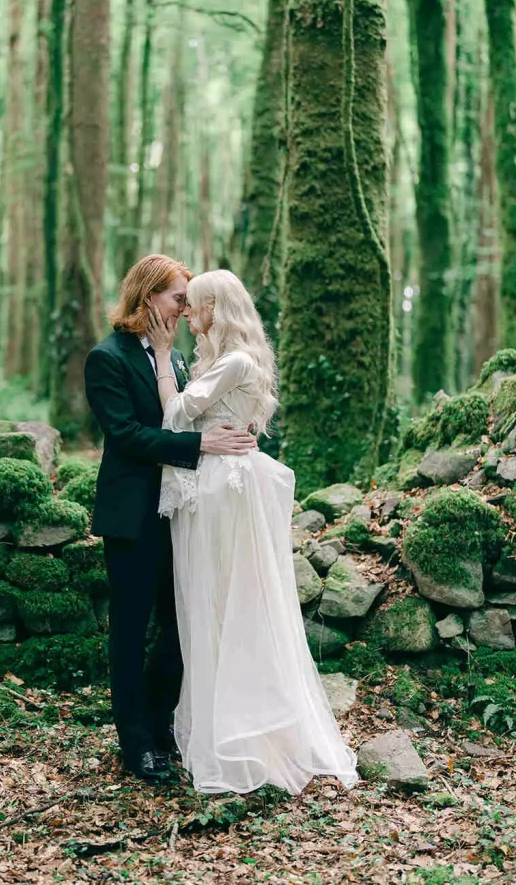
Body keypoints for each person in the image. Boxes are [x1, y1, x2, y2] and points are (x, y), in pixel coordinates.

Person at [146, 268, 358, 795]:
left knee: (223, 601)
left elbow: (174, 413)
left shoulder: (235, 360)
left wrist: (160, 361)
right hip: (214, 484)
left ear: (217, 307)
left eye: (196, 306)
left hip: (222, 490)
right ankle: (220, 727)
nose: (189, 316)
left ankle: (241, 733)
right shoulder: (225, 360)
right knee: (208, 603)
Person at [84, 255, 257, 783]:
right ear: (147, 298)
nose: (186, 309)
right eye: (178, 298)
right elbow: (128, 437)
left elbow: (186, 408)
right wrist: (201, 443)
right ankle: (136, 746)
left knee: (183, 628)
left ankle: (163, 729)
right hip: (133, 517)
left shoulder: (177, 360)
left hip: (182, 514)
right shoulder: (106, 358)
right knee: (131, 631)